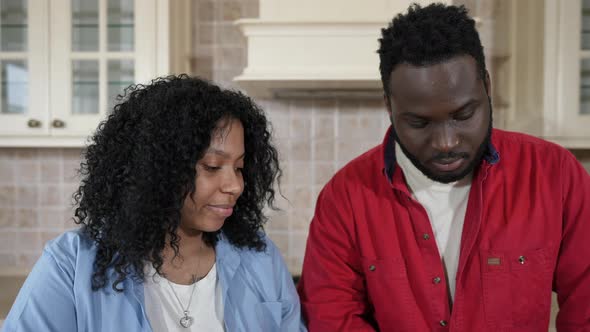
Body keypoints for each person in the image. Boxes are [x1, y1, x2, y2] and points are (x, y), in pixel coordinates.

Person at [297, 3, 590, 332]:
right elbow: (332, 317)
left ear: (487, 88)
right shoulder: (345, 198)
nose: (446, 142)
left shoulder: (555, 175)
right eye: (419, 122)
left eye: (464, 115)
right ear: (389, 106)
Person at [3, 75, 306, 331]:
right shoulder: (70, 265)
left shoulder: (261, 258)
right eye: (213, 166)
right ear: (158, 168)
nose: (236, 185)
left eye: (239, 168)